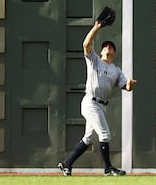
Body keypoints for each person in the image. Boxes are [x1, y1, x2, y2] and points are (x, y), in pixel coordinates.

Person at [58, 20, 137, 176]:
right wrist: (96, 27)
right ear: (101, 52)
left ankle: (67, 164)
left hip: (101, 106)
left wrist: (130, 84)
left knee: (89, 138)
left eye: (111, 46)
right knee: (105, 134)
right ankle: (108, 169)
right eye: (105, 46)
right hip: (91, 102)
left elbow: (126, 88)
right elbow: (86, 44)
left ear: (114, 53)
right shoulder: (94, 61)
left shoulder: (116, 70)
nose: (108, 47)